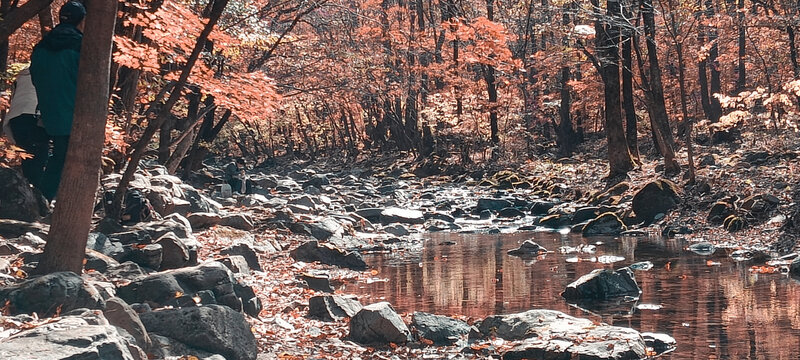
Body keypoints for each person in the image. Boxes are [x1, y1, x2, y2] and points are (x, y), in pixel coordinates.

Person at [29, 1, 86, 200]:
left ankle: (43, 197)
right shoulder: (81, 45)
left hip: (48, 109)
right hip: (74, 112)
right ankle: (43, 199)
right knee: (62, 158)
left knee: (57, 155)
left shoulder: (42, 45)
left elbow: (35, 77)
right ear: (82, 20)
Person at [2, 67, 49, 188]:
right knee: (38, 158)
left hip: (16, 119)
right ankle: (37, 193)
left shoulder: (23, 74)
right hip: (34, 116)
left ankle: (30, 190)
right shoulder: (50, 72)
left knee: (28, 156)